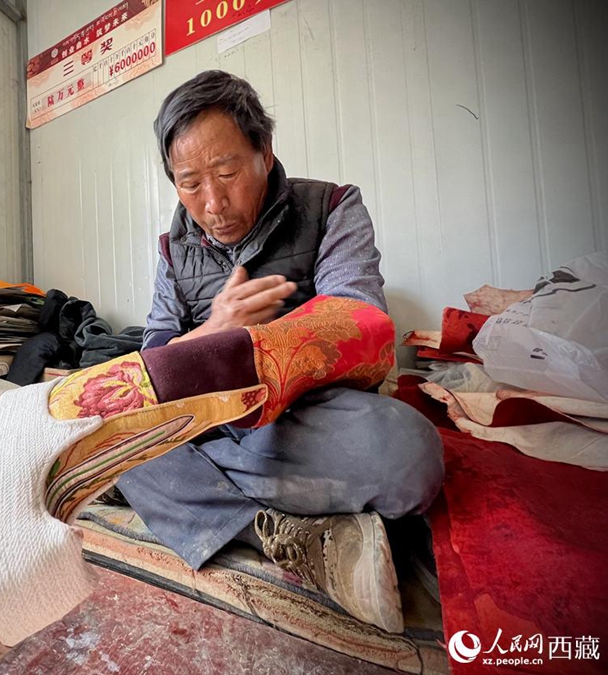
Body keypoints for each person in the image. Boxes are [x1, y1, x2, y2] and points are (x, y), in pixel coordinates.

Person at [115, 70, 444, 633]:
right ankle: (283, 532)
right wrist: (216, 331)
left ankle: (203, 499)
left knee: (411, 453)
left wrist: (256, 348)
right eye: (189, 182)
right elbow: (154, 357)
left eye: (226, 172)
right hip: (212, 420)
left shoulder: (333, 206)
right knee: (113, 430)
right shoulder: (173, 249)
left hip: (306, 419)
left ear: (264, 153)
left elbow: (359, 319)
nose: (213, 203)